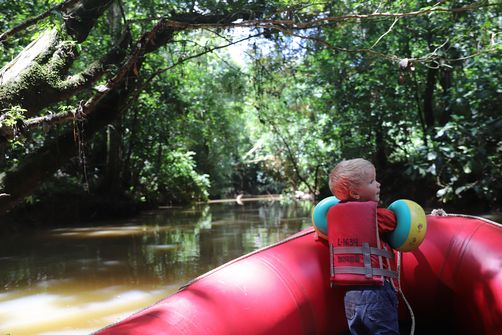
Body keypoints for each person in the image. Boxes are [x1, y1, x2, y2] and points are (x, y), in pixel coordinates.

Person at [328, 158, 399, 335]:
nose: (378, 184)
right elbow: (394, 221)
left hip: (350, 296)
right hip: (377, 293)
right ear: (355, 193)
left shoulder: (334, 217)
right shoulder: (378, 217)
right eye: (371, 181)